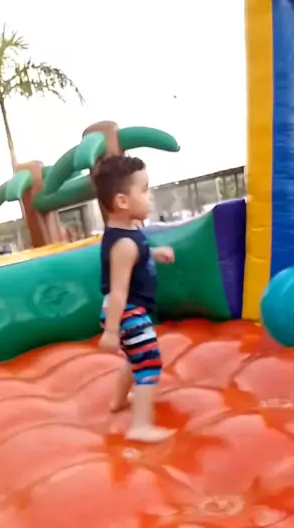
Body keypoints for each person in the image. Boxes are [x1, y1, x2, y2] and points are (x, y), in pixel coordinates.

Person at [93, 155, 175, 443]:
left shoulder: (129, 232)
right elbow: (118, 290)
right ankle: (140, 426)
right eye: (144, 189)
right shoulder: (125, 244)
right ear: (122, 201)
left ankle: (118, 400)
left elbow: (136, 255)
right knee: (149, 362)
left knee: (134, 357)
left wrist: (153, 253)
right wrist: (111, 331)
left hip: (128, 310)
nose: (150, 196)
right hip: (126, 311)